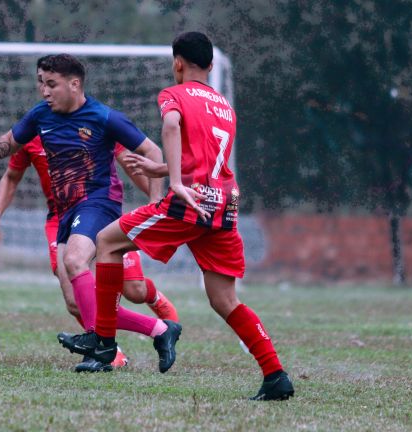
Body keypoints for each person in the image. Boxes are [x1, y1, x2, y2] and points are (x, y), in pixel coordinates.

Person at [57, 32, 295, 401]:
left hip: (189, 202)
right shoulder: (225, 106)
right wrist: (164, 170)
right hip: (223, 204)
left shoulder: (174, 94)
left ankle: (103, 342)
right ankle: (276, 375)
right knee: (224, 300)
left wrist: (177, 182)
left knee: (106, 242)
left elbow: (171, 126)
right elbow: (208, 159)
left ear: (178, 63)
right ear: (212, 66)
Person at [0, 54, 180, 372]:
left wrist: (154, 205)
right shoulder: (40, 115)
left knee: (77, 263)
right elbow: (9, 143)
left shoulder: (103, 117)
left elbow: (152, 151)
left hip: (99, 202)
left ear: (74, 85)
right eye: (40, 84)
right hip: (64, 211)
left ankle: (101, 345)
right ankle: (158, 330)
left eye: (51, 84)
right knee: (78, 301)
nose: (44, 91)